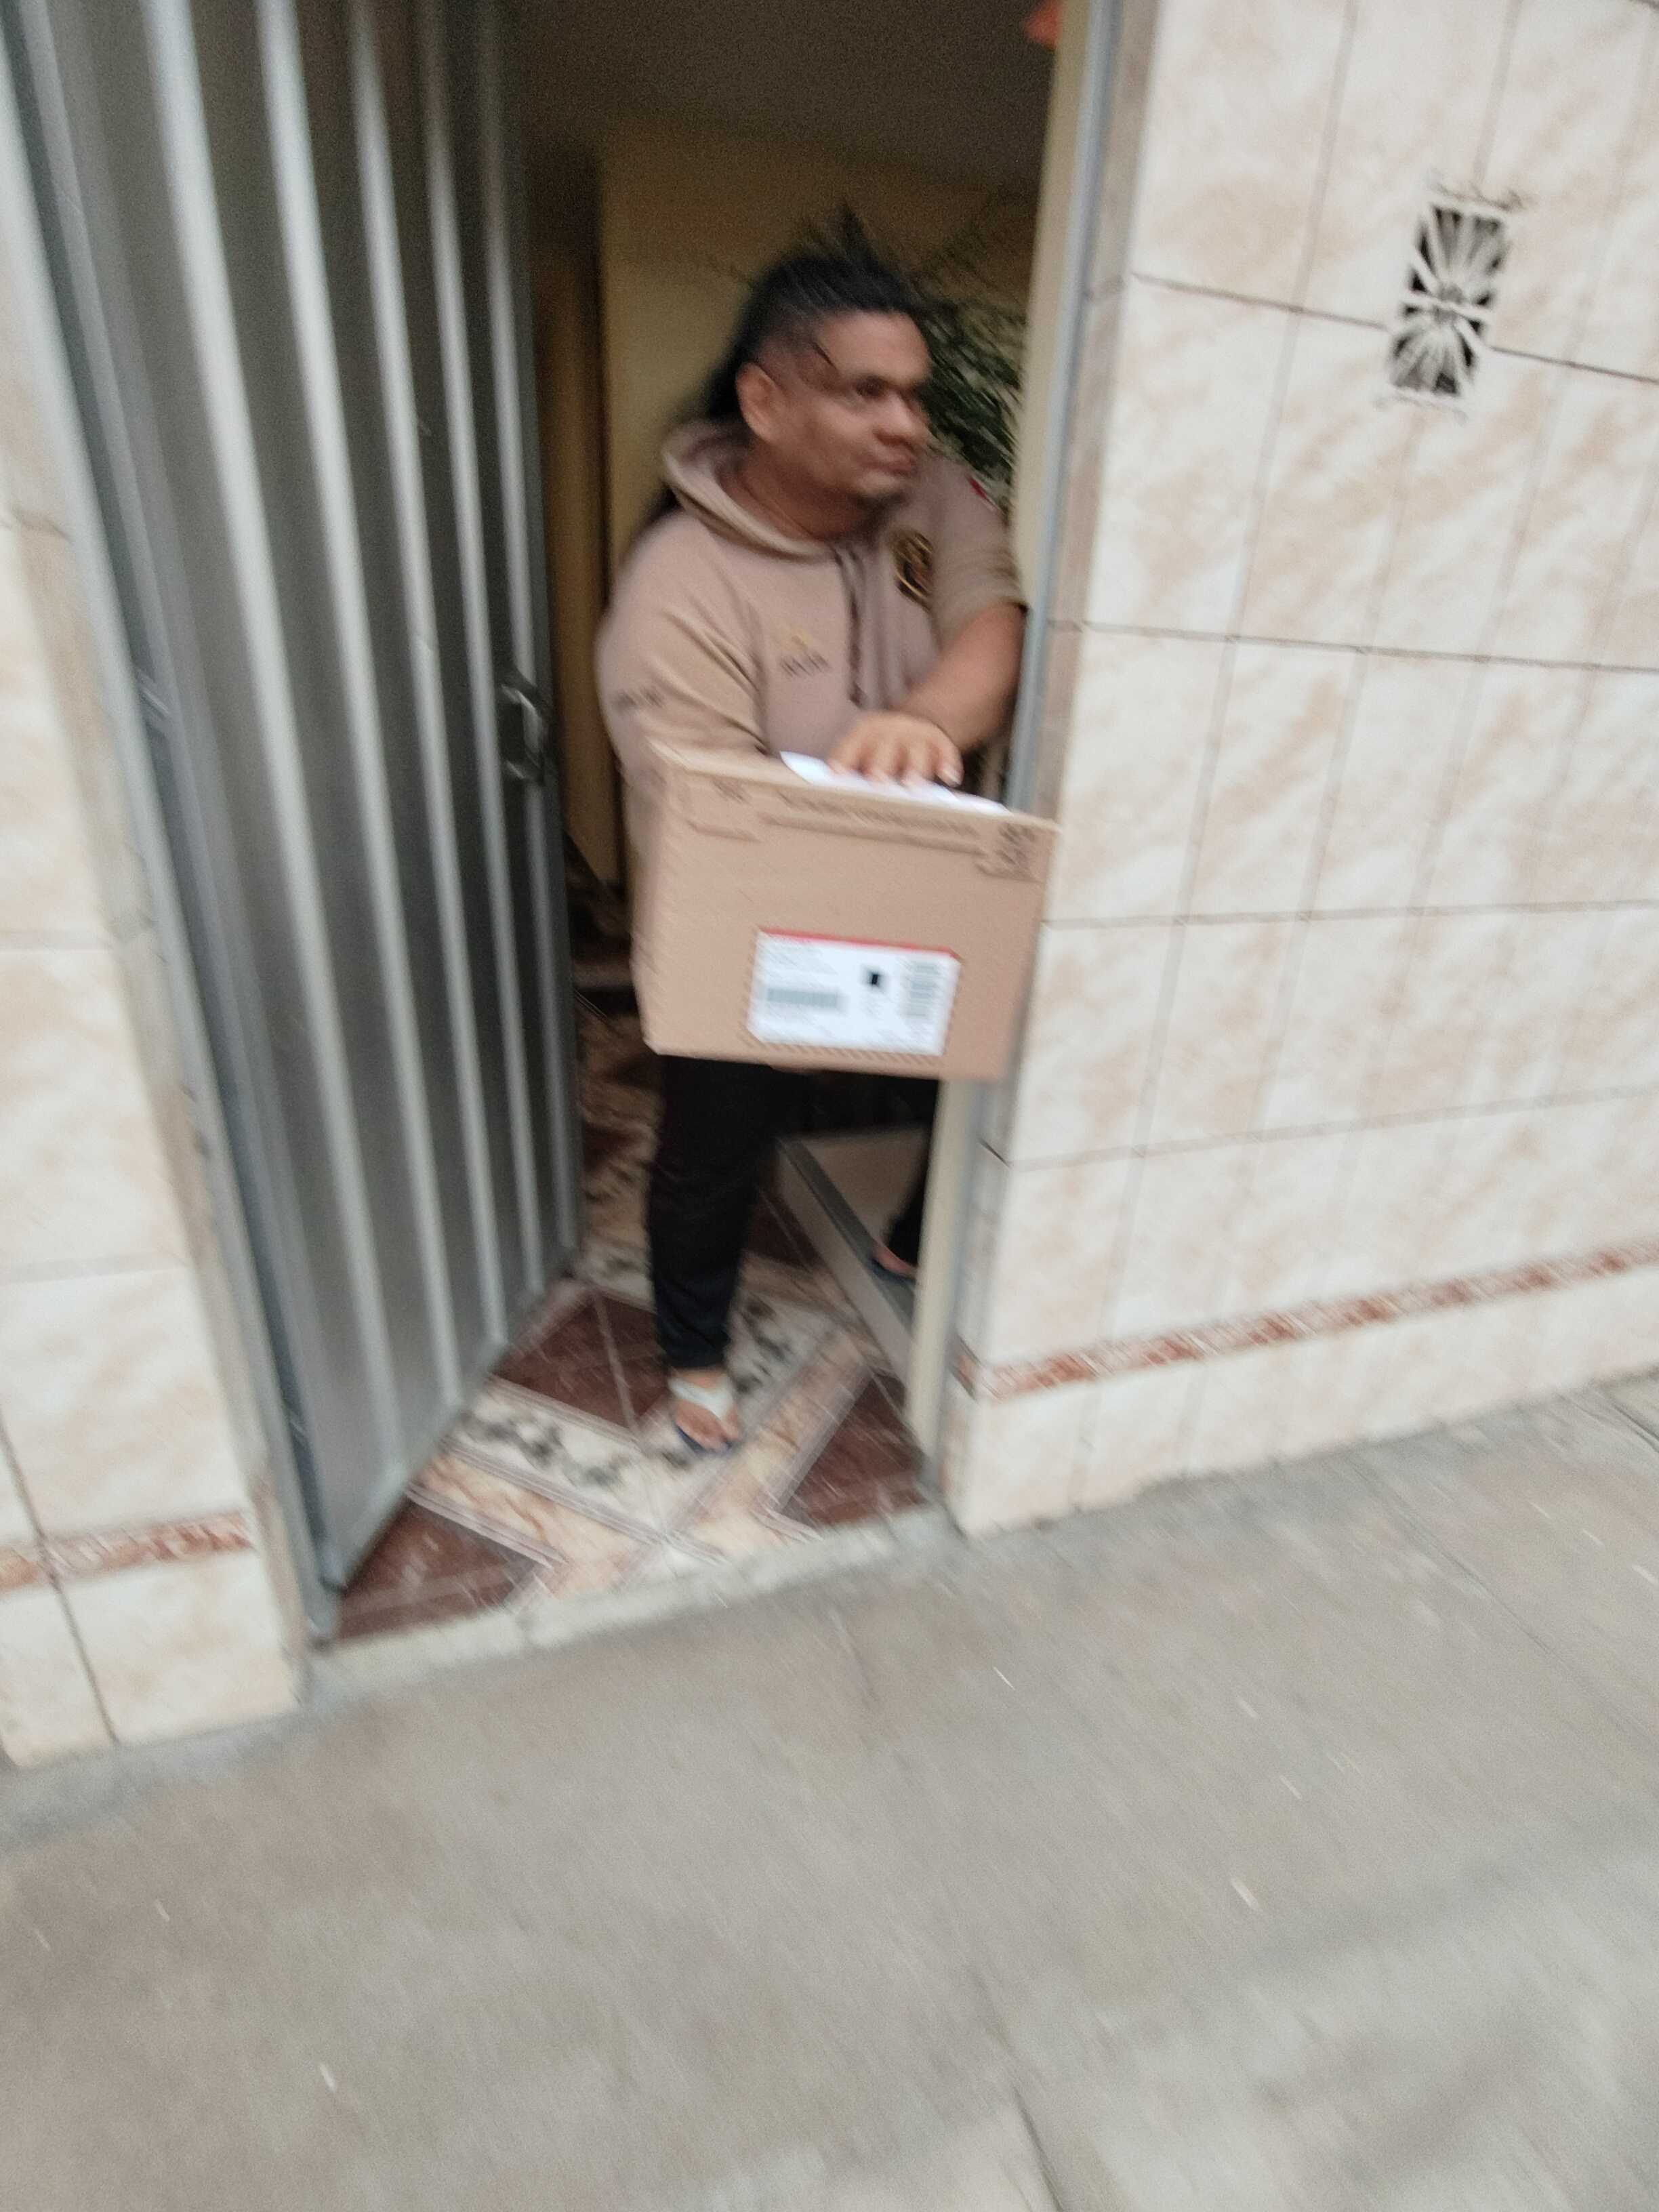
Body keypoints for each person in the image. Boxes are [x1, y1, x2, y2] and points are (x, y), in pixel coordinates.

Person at [598, 252, 1025, 1450]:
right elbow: (718, 821)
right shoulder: (679, 582)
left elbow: (993, 626)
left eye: (914, 394)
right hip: (743, 906)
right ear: (766, 401)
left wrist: (925, 720)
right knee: (715, 1137)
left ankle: (912, 1240)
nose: (905, 425)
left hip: (924, 889)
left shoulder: (940, 496)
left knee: (974, 1061)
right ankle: (694, 1346)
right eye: (864, 393)